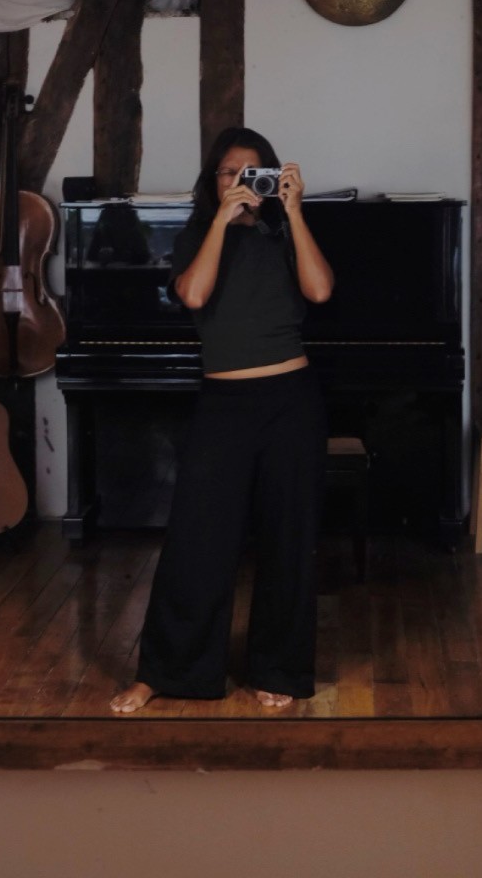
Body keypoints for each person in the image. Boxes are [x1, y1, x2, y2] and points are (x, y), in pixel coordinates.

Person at [111, 127, 335, 713]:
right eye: (227, 172)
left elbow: (319, 290)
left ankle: (279, 668)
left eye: (251, 171)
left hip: (291, 399)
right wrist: (219, 221)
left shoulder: (283, 233)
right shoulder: (194, 237)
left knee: (289, 539)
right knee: (197, 542)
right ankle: (169, 670)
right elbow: (192, 295)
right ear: (213, 181)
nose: (240, 180)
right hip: (224, 404)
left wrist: (295, 211)